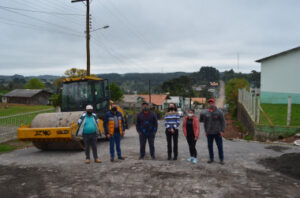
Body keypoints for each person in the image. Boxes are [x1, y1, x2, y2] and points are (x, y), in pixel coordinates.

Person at [200, 99, 226, 165]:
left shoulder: (219, 112)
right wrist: (206, 131)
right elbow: (205, 123)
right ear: (208, 104)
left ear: (214, 103)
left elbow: (223, 122)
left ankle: (221, 159)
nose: (211, 104)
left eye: (212, 103)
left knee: (220, 146)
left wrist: (222, 130)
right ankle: (211, 158)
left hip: (218, 132)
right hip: (209, 133)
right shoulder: (206, 113)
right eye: (209, 103)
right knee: (210, 146)